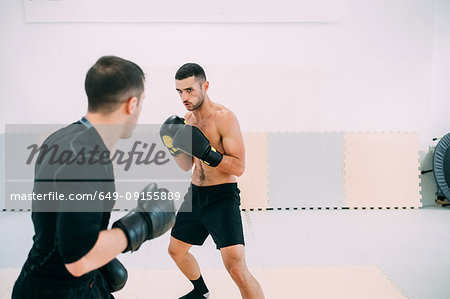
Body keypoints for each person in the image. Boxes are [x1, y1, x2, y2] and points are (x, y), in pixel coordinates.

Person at [12, 56, 175, 298]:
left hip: (56, 281)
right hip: (57, 291)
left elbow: (57, 223)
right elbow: (78, 259)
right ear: (132, 104)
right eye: (142, 103)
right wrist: (143, 222)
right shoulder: (86, 159)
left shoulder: (64, 137)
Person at [160, 63, 265, 299]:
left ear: (205, 86)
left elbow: (239, 167)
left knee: (237, 268)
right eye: (179, 91)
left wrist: (209, 154)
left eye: (189, 90)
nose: (184, 97)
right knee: (176, 251)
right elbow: (187, 165)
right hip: (195, 195)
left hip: (222, 197)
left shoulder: (224, 118)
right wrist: (173, 148)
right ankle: (200, 291)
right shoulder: (187, 120)